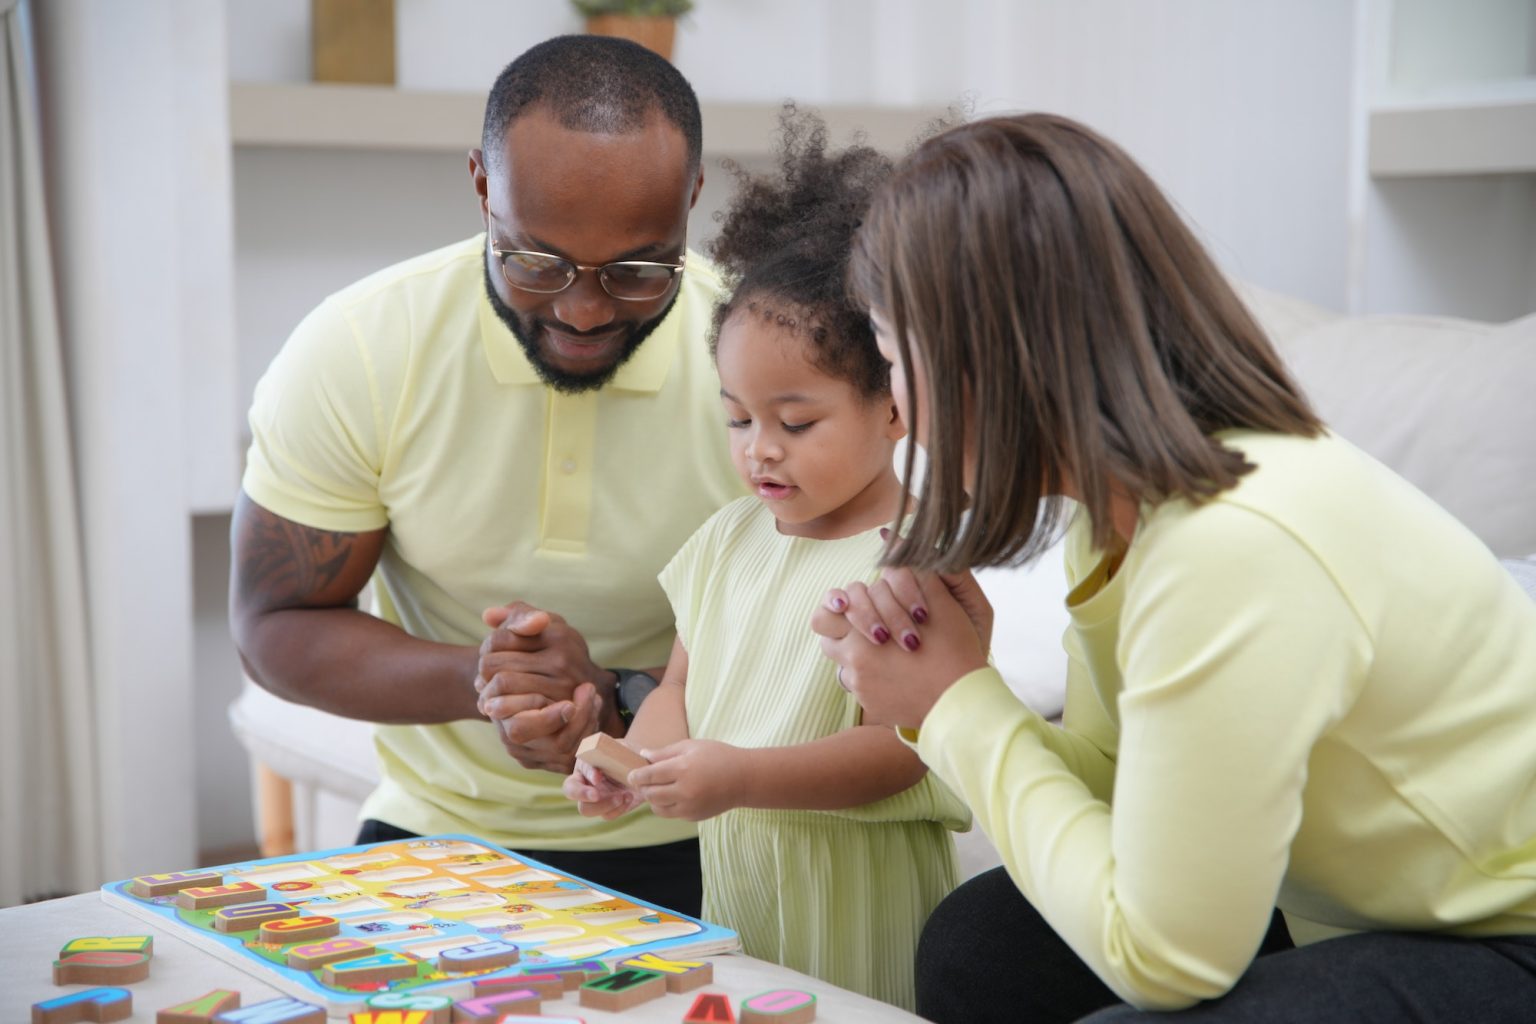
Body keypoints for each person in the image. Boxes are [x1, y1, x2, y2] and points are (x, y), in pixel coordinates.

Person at [811, 112, 1536, 1022]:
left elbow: (1168, 959)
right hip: (1355, 909)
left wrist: (957, 705)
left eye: (890, 357)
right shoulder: (1123, 516)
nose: (900, 412)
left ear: (987, 354)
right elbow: (1123, 786)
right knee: (984, 944)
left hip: (1504, 931)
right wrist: (954, 683)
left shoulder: (1234, 542)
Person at [229, 35, 748, 918]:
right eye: (535, 262)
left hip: (716, 826)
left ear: (692, 198)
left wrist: (620, 701)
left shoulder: (765, 364)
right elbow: (275, 624)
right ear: (480, 186)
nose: (583, 312)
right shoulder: (360, 347)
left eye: (637, 272)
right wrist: (490, 680)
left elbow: (818, 652)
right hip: (439, 832)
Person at [556, 110, 968, 1011]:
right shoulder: (724, 542)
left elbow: (903, 755)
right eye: (739, 418)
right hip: (743, 885)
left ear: (893, 406)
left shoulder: (912, 560)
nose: (760, 451)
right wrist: (636, 764)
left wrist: (739, 775)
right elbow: (677, 693)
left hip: (857, 894)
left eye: (797, 421)